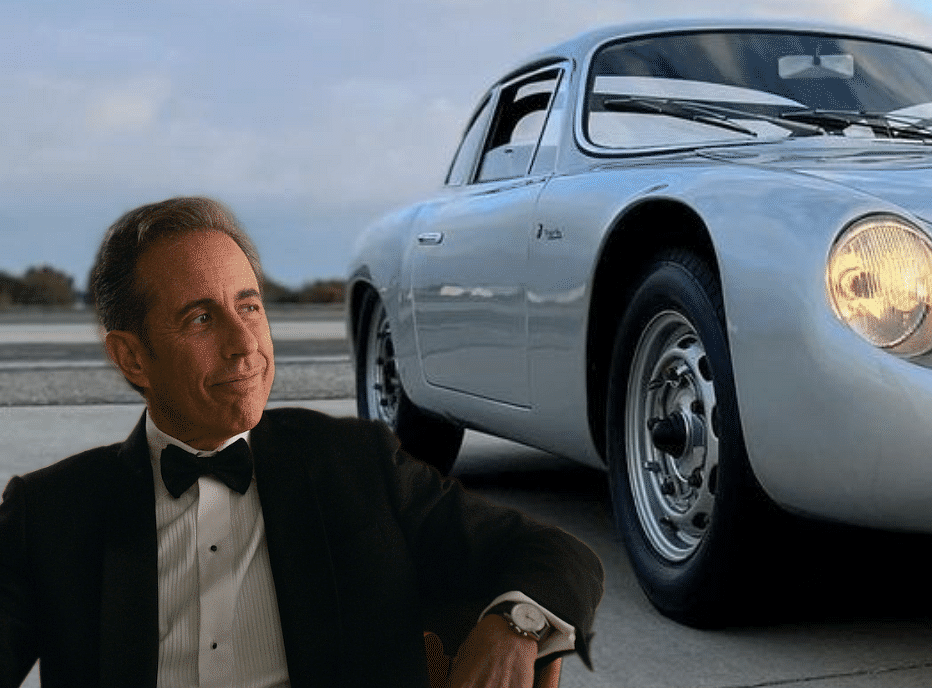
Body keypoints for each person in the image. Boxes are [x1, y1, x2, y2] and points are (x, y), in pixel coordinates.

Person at [0, 197, 604, 688]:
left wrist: (514, 626)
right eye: (201, 319)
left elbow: (556, 555)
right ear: (132, 356)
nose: (246, 346)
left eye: (251, 306)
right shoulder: (48, 515)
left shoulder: (358, 464)